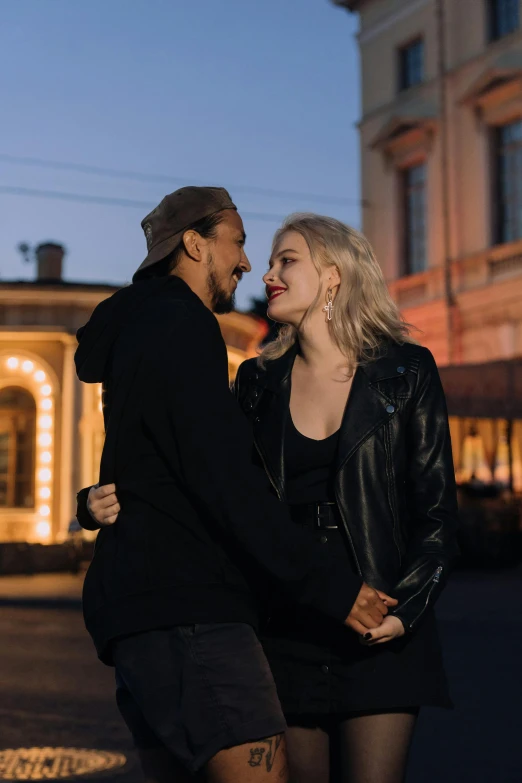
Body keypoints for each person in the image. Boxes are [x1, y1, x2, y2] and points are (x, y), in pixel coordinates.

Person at [87, 213, 459, 783]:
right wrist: (97, 497)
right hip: (287, 625)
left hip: (377, 618)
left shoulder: (405, 371)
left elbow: (435, 514)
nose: (266, 273)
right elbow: (207, 478)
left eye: (287, 260)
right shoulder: (258, 382)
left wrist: (405, 612)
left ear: (334, 275)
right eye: (268, 261)